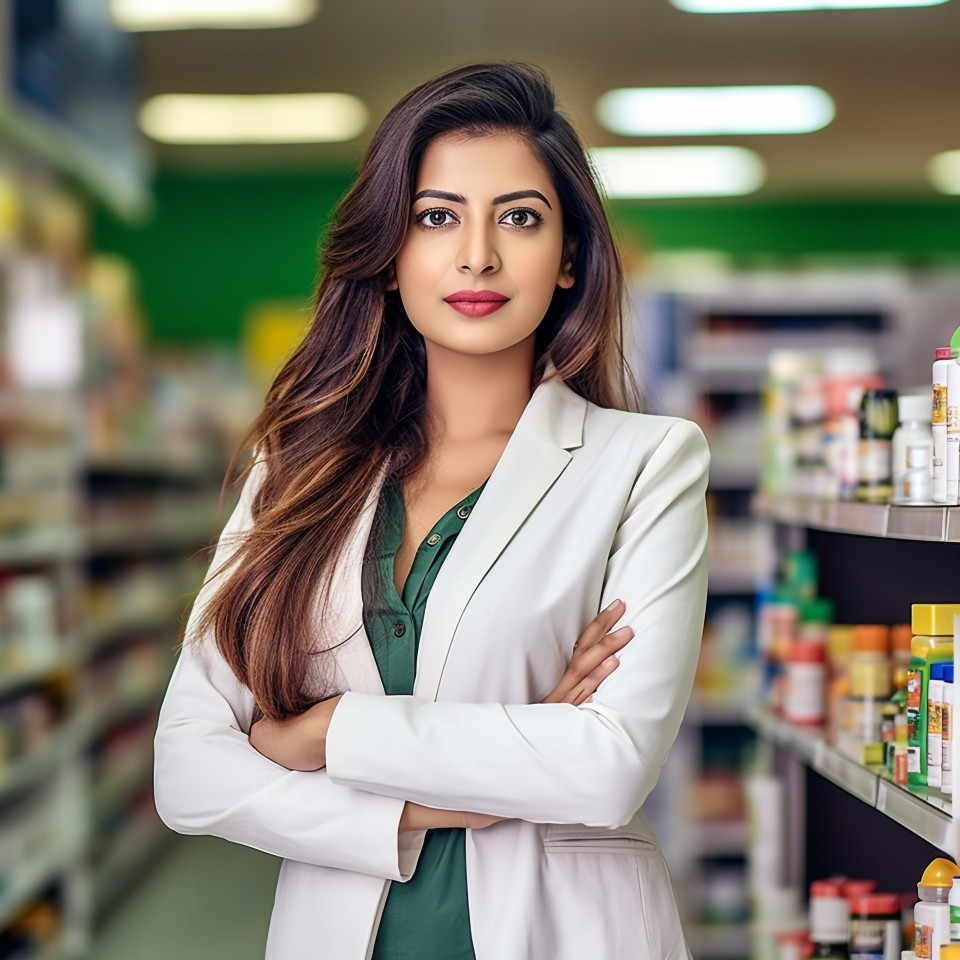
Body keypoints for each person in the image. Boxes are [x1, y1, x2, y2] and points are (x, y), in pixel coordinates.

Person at [153, 61, 709, 960]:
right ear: (390, 252)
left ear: (569, 257)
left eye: (520, 218)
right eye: (436, 215)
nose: (477, 255)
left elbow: (607, 769)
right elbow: (188, 773)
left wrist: (322, 734)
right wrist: (476, 786)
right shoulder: (293, 472)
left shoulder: (646, 464)